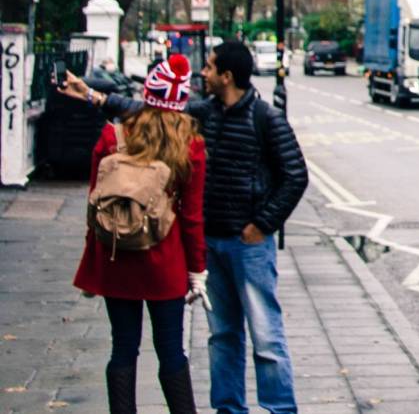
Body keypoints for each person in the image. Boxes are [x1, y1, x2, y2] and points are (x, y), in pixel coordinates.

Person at [63, 39, 309, 414]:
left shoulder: (265, 118)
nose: (202, 73)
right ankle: (227, 409)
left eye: (209, 67)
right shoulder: (195, 129)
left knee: (263, 338)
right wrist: (94, 96)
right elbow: (156, 113)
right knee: (204, 341)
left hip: (237, 244)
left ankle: (279, 409)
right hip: (184, 253)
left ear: (227, 76)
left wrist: (262, 224)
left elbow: (295, 176)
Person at [73, 54, 207, 414]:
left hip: (115, 256)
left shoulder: (113, 135)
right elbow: (192, 217)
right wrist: (197, 271)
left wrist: (91, 264)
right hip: (165, 262)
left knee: (122, 348)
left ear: (147, 94)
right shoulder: (190, 145)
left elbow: (94, 204)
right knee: (171, 351)